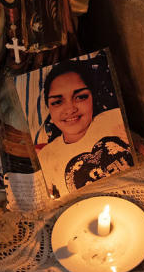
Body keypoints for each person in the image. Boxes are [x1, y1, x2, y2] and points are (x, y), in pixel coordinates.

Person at [34, 60, 134, 198]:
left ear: (93, 97)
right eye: (57, 102)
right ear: (49, 107)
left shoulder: (116, 118)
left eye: (80, 97)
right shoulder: (45, 157)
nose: (70, 109)